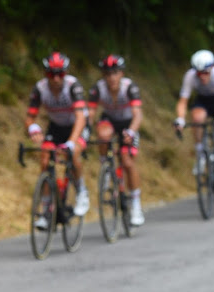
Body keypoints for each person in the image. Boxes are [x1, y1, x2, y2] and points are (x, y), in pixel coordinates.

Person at [24, 51, 90, 227]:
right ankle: (46, 210)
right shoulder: (40, 88)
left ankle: (81, 191)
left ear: (65, 73)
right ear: (46, 74)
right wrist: (32, 126)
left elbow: (81, 117)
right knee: (45, 160)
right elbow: (30, 116)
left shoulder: (72, 85)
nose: (55, 78)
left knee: (73, 152)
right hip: (56, 127)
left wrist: (71, 141)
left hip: (77, 126)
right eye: (51, 74)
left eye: (60, 73)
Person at [174, 49, 214, 207]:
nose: (202, 76)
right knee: (197, 118)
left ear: (212, 67)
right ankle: (200, 152)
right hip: (203, 102)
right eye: (199, 73)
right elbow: (183, 101)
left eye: (205, 72)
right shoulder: (190, 76)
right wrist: (180, 119)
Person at [88, 54, 145, 225]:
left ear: (121, 74)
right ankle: (106, 165)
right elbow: (90, 113)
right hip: (109, 120)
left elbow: (138, 114)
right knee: (104, 135)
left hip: (128, 123)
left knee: (127, 162)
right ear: (103, 75)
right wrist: (86, 129)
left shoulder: (129, 87)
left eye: (115, 73)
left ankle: (135, 203)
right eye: (107, 73)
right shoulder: (98, 88)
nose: (111, 77)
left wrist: (132, 131)